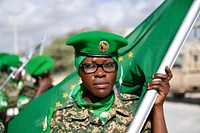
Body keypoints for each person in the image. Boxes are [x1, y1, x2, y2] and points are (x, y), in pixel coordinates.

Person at [45, 31, 172, 132]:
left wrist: (157, 107)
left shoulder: (137, 107)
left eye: (109, 65)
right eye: (90, 66)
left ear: (117, 70)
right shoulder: (62, 116)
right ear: (80, 71)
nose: (100, 73)